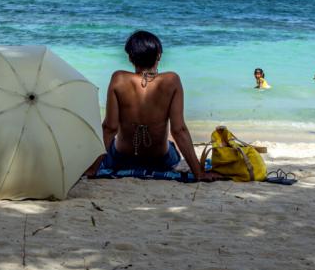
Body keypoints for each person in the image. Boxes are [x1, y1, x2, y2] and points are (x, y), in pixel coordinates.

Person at [85, 30, 220, 181]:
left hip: (121, 159)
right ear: (159, 55)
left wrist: (92, 170)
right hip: (159, 161)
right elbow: (179, 130)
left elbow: (110, 128)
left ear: (130, 57)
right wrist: (198, 173)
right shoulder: (171, 81)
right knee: (171, 145)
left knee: (113, 148)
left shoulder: (119, 79)